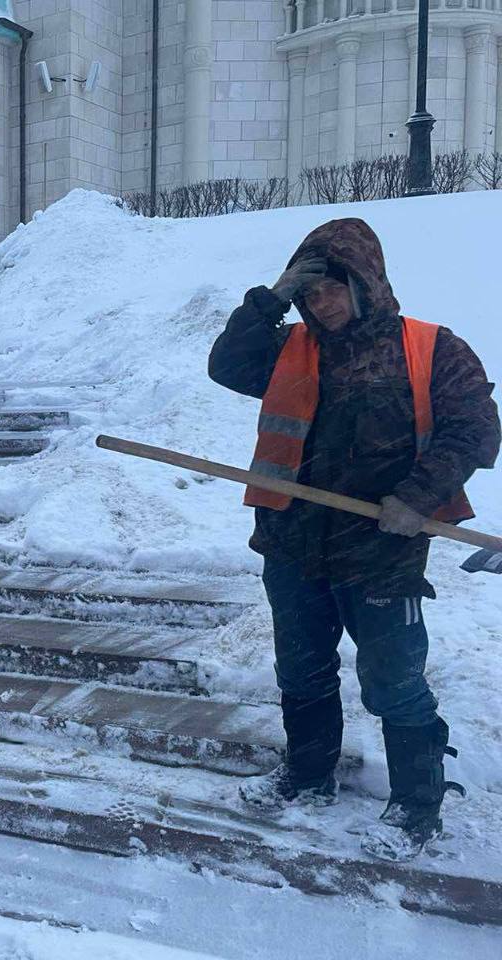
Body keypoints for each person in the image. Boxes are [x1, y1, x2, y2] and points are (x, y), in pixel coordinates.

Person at [208, 217, 499, 862]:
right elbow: (226, 365)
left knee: (393, 679)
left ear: (366, 283)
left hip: (381, 548)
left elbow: (477, 430)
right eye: (310, 295)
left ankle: (416, 806)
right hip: (293, 540)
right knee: (302, 669)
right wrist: (271, 298)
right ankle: (308, 776)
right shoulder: (289, 347)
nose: (321, 304)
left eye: (331, 290)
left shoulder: (430, 348)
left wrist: (417, 498)